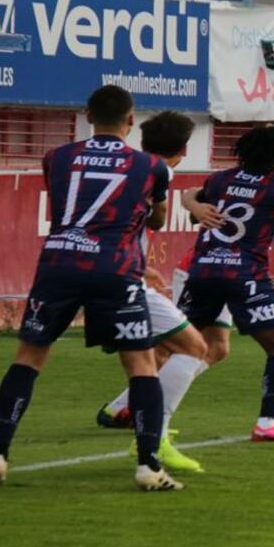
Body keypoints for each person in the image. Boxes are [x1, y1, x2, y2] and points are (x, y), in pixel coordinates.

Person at [0, 85, 182, 491]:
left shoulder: (56, 157)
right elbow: (156, 221)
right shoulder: (151, 167)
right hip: (115, 267)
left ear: (88, 116)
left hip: (59, 262)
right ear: (130, 120)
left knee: (29, 356)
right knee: (140, 364)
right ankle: (148, 466)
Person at [93, 111, 227, 473]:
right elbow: (155, 218)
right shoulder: (155, 174)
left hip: (107, 270)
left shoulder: (128, 168)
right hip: (122, 278)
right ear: (183, 150)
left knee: (162, 351)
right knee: (194, 347)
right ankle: (153, 432)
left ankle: (134, 417)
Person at [177, 125, 274, 443]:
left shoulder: (220, 179)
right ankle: (268, 422)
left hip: (203, 271)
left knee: (175, 345)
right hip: (246, 276)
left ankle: (133, 405)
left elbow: (190, 199)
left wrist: (195, 207)